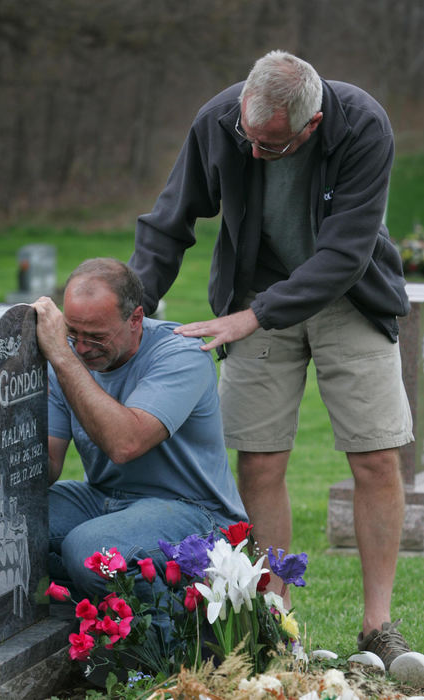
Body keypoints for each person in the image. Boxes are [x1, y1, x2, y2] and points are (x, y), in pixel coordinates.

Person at [128, 50, 418, 669]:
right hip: (255, 292)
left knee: (376, 455)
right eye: (249, 138)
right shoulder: (220, 123)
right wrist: (130, 313)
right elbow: (167, 223)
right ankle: (275, 623)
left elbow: (345, 252)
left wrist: (250, 317)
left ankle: (378, 627)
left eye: (272, 146)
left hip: (350, 296)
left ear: (310, 125)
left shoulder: (363, 125)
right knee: (257, 460)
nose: (255, 152)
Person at [32, 257, 247, 613]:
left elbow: (124, 443)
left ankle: (180, 648)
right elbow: (49, 463)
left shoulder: (182, 355)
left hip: (193, 510)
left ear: (136, 319)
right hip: (102, 498)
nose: (82, 349)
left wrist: (62, 357)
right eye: (72, 334)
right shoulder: (67, 358)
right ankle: (74, 630)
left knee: (91, 550)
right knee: (6, 527)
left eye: (96, 337)